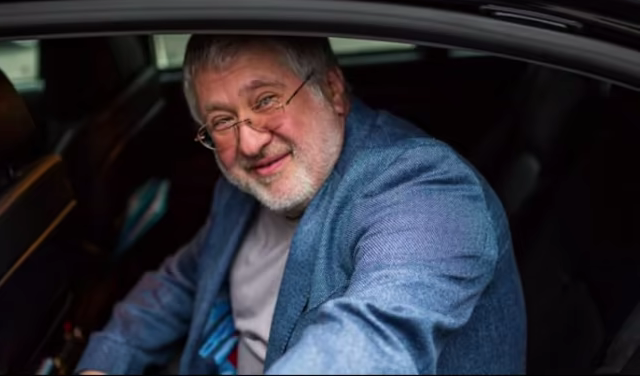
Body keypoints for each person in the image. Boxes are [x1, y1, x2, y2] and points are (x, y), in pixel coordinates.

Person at [75, 35, 526, 375]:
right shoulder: (241, 188)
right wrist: (106, 362)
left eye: (266, 100)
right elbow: (185, 280)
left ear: (333, 89)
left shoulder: (424, 190)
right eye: (222, 121)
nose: (249, 143)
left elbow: (370, 339)